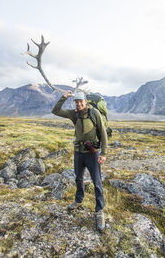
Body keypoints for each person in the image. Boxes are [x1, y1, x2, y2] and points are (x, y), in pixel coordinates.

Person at [52, 89, 108, 231]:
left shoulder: (94, 113)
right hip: (78, 153)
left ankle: (99, 210)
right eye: (76, 102)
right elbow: (56, 111)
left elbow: (102, 133)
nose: (78, 104)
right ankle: (78, 200)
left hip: (92, 154)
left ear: (85, 101)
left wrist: (104, 152)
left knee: (96, 181)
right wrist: (63, 97)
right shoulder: (74, 114)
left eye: (80, 101)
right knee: (78, 178)